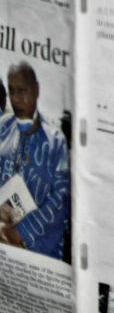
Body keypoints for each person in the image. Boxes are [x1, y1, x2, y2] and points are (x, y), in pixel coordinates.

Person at [0, 62, 71, 260]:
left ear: (37, 90)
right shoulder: (3, 127)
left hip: (39, 255)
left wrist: (21, 232)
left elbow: (61, 199)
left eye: (22, 91)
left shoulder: (55, 140)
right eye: (12, 91)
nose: (15, 99)